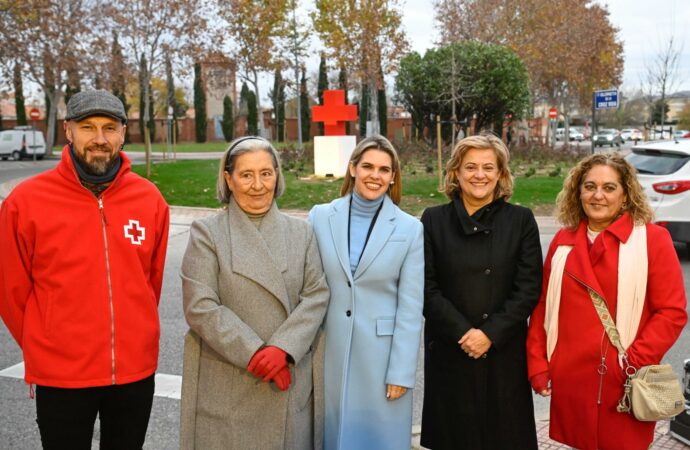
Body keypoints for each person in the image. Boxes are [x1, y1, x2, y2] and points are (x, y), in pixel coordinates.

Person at [0, 89, 170, 449]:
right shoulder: (26, 202)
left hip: (134, 373)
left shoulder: (149, 199)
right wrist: (46, 342)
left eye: (109, 128)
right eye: (88, 127)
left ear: (123, 133)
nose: (99, 139)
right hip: (61, 376)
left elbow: (150, 282)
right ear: (68, 130)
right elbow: (11, 291)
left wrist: (136, 332)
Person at [526, 153, 688, 450]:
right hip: (571, 377)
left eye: (609, 187)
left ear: (626, 195)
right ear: (578, 191)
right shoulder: (563, 240)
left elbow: (672, 312)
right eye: (589, 186)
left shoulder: (653, 240)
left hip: (623, 379)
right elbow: (543, 308)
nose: (597, 195)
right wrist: (538, 364)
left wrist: (632, 362)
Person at [179, 136, 330, 450]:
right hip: (232, 379)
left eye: (266, 173)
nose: (258, 185)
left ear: (277, 175)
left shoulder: (301, 232)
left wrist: (283, 349)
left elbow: (316, 294)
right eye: (246, 175)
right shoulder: (207, 233)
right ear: (228, 179)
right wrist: (257, 354)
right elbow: (201, 306)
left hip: (289, 377)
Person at [421, 134, 542, 449]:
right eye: (470, 167)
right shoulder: (433, 220)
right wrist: (465, 333)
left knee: (503, 438)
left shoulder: (521, 220)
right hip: (451, 350)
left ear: (501, 174)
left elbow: (528, 289)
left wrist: (488, 334)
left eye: (489, 167)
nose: (479, 175)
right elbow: (426, 288)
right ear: (455, 173)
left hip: (502, 352)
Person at [309, 135, 424, 450]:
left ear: (392, 177)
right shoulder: (319, 217)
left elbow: (411, 306)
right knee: (331, 436)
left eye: (384, 170)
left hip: (382, 358)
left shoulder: (409, 228)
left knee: (379, 440)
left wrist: (401, 372)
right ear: (352, 168)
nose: (375, 175)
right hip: (329, 351)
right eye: (368, 166)